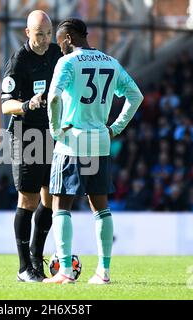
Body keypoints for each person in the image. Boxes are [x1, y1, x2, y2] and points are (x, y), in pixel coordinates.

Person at [44, 18, 143, 284]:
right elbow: (136, 96)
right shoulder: (110, 62)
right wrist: (116, 127)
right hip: (100, 140)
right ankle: (104, 271)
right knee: (100, 206)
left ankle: (65, 270)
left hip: (72, 140)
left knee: (61, 202)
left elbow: (53, 98)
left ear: (67, 38)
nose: (59, 48)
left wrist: (55, 130)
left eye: (59, 42)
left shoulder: (67, 63)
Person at [1, 10, 63, 282]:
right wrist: (27, 105)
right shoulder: (18, 61)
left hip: (52, 134)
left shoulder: (56, 56)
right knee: (28, 199)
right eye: (40, 35)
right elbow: (6, 105)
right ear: (28, 33)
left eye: (49, 34)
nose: (45, 39)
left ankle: (37, 261)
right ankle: (23, 267)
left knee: (50, 198)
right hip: (25, 136)